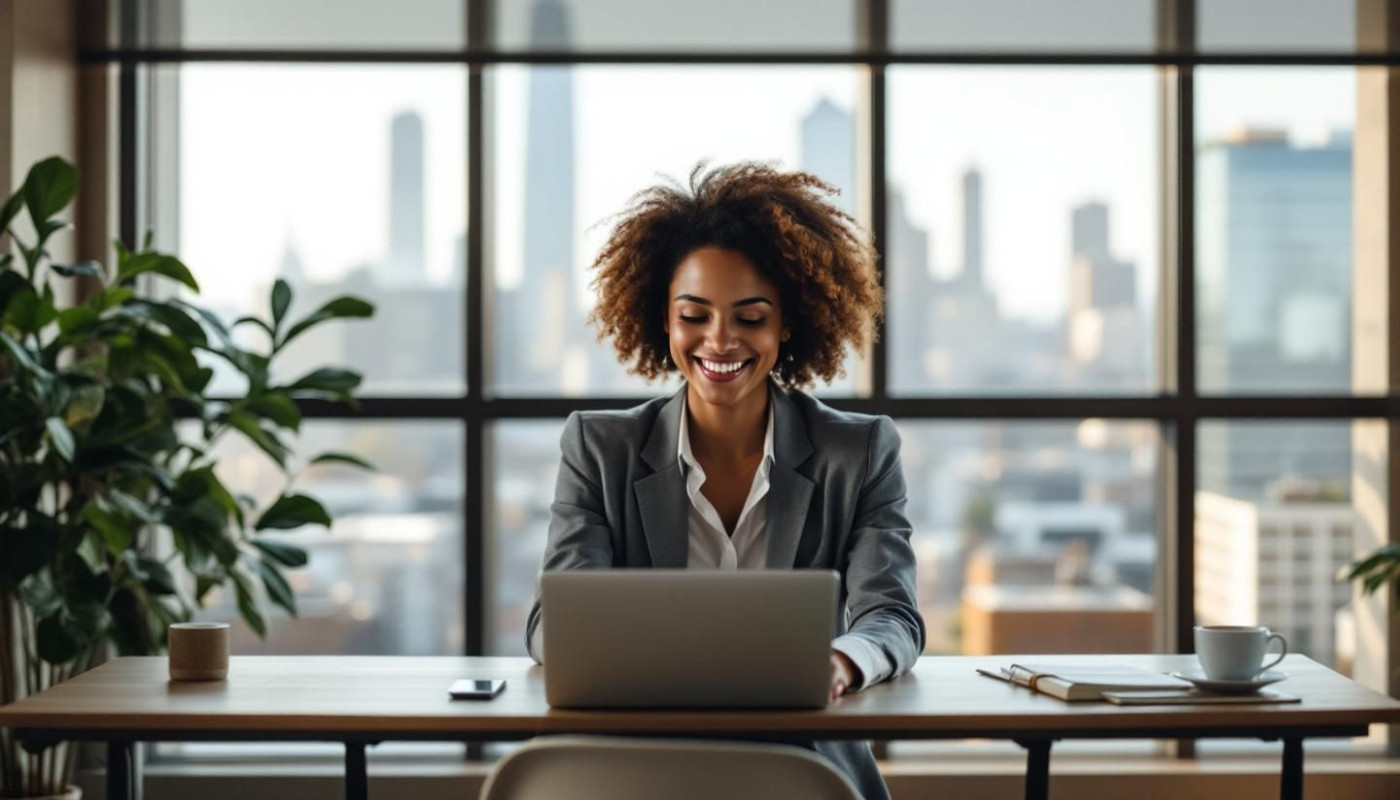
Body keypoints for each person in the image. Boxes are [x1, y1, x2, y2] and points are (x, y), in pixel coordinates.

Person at [525, 161, 925, 800]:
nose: (720, 340)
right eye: (695, 315)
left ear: (787, 324)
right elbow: (555, 625)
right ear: (664, 319)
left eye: (750, 316)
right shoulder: (601, 448)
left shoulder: (859, 450)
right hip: (629, 760)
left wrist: (842, 662)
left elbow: (893, 616)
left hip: (799, 761)